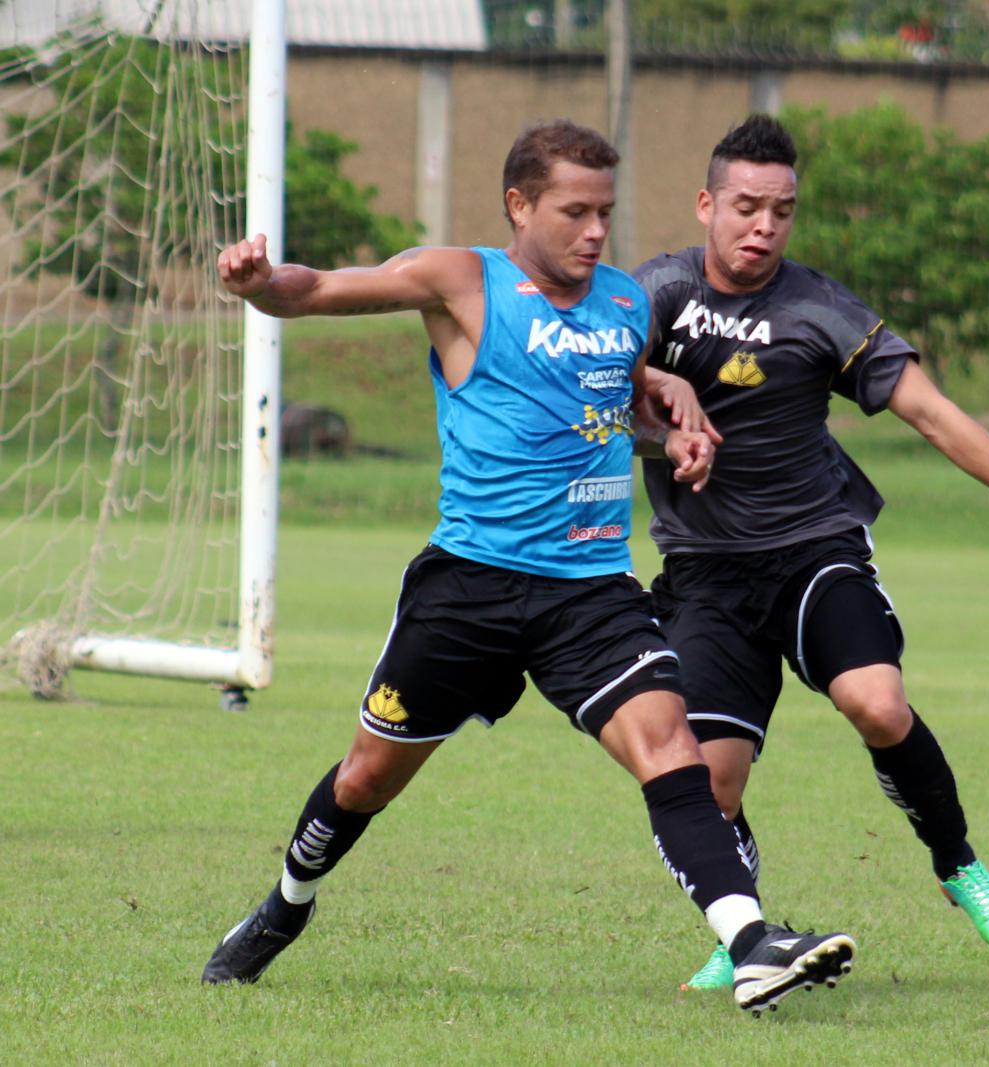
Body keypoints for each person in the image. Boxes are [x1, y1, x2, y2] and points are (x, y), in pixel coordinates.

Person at [200, 120, 855, 1016]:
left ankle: (750, 942)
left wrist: (672, 435)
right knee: (364, 778)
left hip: (590, 590)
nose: (596, 231)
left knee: (672, 747)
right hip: (468, 587)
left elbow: (609, 412)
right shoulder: (461, 281)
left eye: (606, 213)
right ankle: (286, 904)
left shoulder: (625, 303)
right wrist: (258, 284)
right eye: (574, 212)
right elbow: (315, 289)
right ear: (519, 205)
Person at [632, 115, 989, 991]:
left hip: (813, 549)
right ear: (706, 204)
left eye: (782, 211)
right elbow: (589, 392)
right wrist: (663, 430)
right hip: (703, 572)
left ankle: (959, 865)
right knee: (710, 784)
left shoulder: (823, 309)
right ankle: (743, 934)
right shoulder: (654, 295)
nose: (764, 227)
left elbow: (931, 412)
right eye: (746, 207)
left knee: (877, 703)